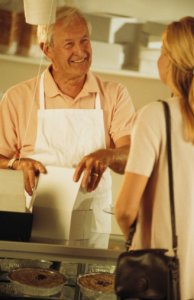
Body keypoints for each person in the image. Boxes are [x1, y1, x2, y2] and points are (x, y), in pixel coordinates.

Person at [0, 6, 135, 248]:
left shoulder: (115, 94)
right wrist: (15, 163)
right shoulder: (17, 97)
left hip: (93, 229)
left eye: (84, 40)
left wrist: (109, 154)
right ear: (46, 49)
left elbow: (131, 157)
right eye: (69, 44)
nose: (81, 51)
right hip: (32, 228)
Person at [115, 16, 194, 300]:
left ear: (173, 61)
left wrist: (136, 245)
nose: (159, 59)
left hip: (160, 277)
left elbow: (125, 209)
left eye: (163, 52)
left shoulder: (156, 115)